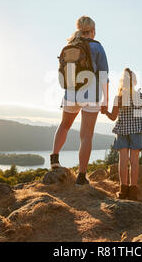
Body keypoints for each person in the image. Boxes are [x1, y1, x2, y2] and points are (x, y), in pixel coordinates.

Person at [50, 16, 109, 185]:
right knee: (86, 135)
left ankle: (54, 158)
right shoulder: (97, 46)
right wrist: (105, 99)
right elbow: (104, 75)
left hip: (71, 92)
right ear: (92, 30)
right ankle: (82, 176)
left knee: (64, 125)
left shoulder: (69, 45)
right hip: (91, 93)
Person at [105, 68, 142, 201]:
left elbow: (113, 117)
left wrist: (105, 112)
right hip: (137, 131)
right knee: (134, 161)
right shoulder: (141, 97)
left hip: (122, 130)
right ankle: (133, 190)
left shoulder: (118, 98)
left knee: (123, 160)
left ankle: (123, 189)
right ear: (135, 82)